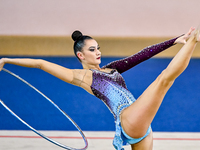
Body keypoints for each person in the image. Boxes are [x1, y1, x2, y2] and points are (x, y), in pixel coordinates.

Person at [0, 27, 199, 150]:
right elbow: (41, 64)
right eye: (92, 49)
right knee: (164, 79)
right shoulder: (82, 77)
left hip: (140, 124)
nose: (98, 52)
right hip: (128, 117)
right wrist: (7, 59)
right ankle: (194, 41)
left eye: (98, 48)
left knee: (164, 80)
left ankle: (189, 41)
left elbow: (142, 55)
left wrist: (174, 40)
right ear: (80, 55)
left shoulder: (111, 68)